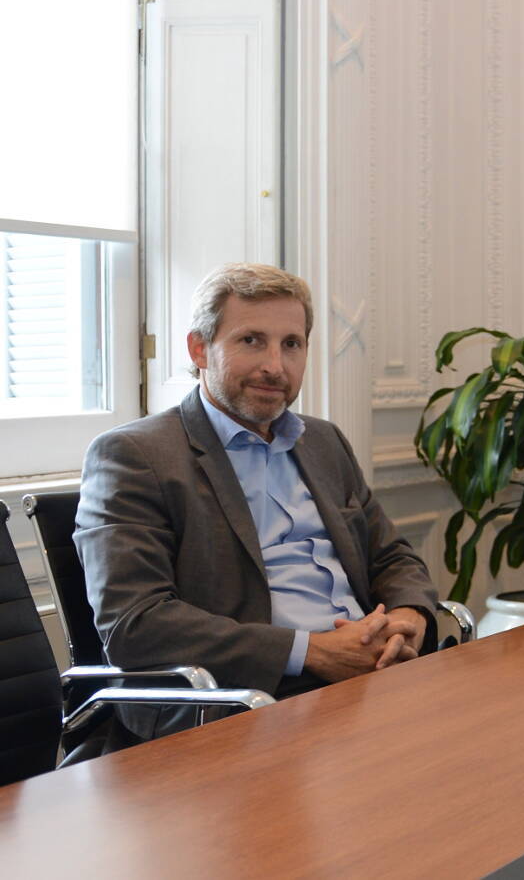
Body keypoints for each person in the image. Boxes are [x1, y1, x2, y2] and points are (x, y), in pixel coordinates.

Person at [76, 263, 438, 741]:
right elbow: (136, 623)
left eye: (292, 344)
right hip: (247, 697)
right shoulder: (134, 455)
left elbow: (391, 556)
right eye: (251, 341)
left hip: (372, 673)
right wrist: (311, 652)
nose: (275, 366)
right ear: (199, 349)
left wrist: (408, 618)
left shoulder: (323, 442)